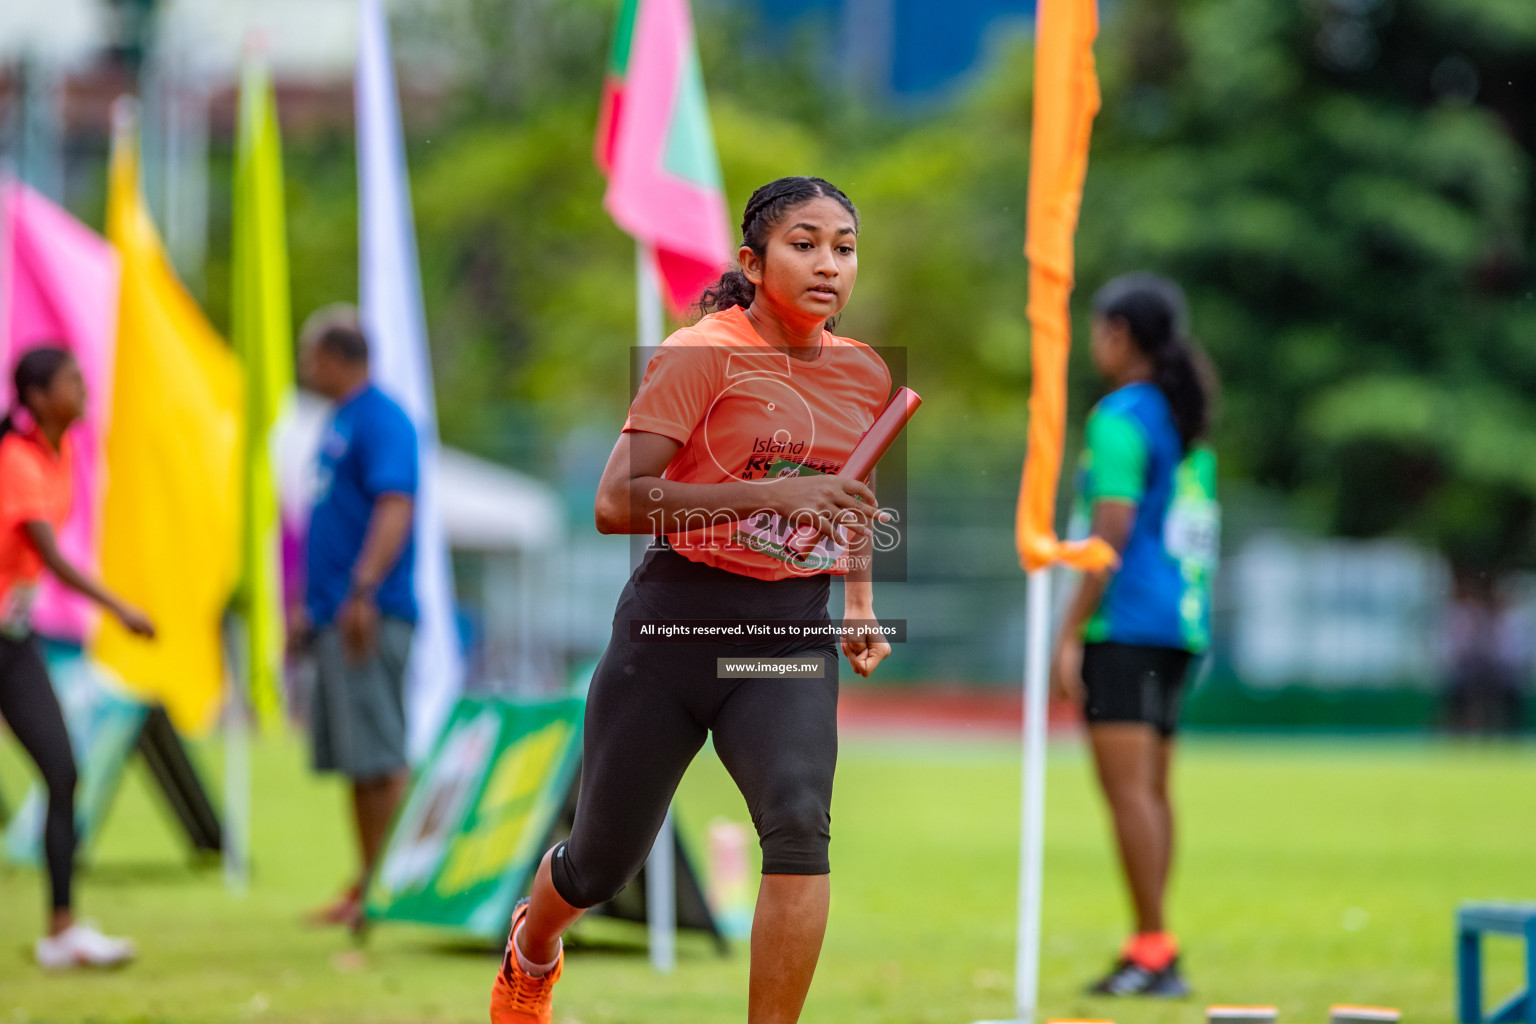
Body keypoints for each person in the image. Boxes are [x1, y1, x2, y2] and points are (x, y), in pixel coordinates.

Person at [489, 176, 895, 1024]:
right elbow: (615, 503)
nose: (829, 264)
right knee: (601, 865)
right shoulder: (700, 352)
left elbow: (851, 502)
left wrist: (857, 599)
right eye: (805, 243)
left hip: (781, 639)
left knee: (797, 825)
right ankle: (534, 950)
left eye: (844, 247)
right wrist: (768, 502)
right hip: (674, 627)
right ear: (753, 261)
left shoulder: (863, 374)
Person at [1050, 273, 1219, 997]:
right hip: (1181, 623)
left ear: (1117, 332)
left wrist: (1069, 629)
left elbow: (1110, 528)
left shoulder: (1119, 416)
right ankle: (1153, 942)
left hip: (1126, 625)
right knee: (1152, 790)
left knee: (1129, 795)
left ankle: (1154, 949)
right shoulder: (1186, 422)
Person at [0, 346, 156, 969]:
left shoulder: (56, 452)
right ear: (36, 396)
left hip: (12, 640)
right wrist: (119, 607)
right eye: (70, 381)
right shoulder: (16, 456)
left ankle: (62, 929)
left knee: (62, 772)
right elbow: (51, 555)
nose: (83, 388)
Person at [292, 306, 419, 929]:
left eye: (309, 353)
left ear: (337, 357)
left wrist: (363, 591)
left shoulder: (382, 418)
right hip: (335, 615)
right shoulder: (340, 419)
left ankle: (402, 887)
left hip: (371, 613)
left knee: (382, 756)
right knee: (356, 757)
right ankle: (370, 884)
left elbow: (396, 505)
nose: (302, 366)